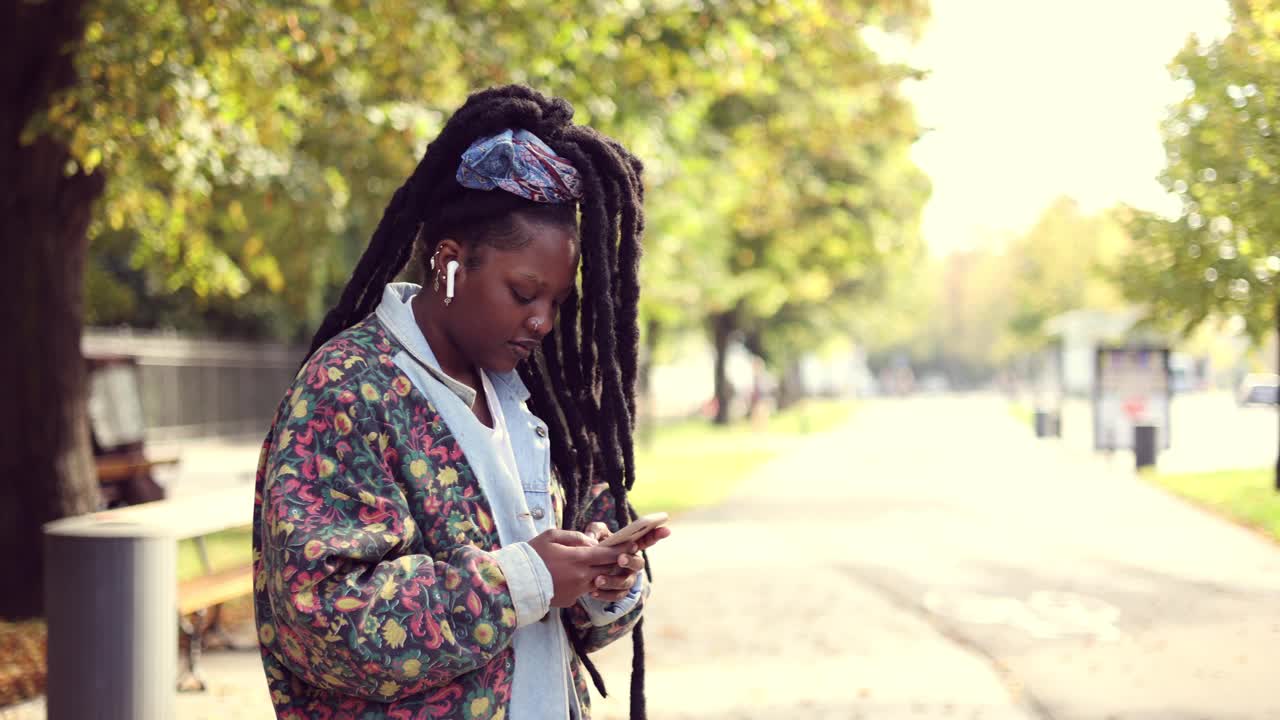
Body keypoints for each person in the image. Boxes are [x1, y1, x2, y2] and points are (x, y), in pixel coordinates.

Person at [251, 85, 671, 720]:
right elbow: (324, 622)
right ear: (448, 266)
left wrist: (601, 583)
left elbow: (572, 621)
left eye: (555, 302)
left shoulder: (540, 402)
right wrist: (525, 579)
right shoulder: (347, 389)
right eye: (524, 293)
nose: (542, 322)